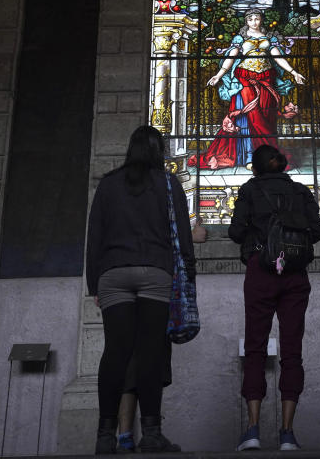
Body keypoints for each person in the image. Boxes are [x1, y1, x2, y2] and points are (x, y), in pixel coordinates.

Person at [86, 125, 207, 454]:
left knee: (115, 352)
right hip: (155, 272)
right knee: (151, 352)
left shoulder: (109, 184)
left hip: (113, 273)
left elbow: (94, 234)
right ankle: (151, 434)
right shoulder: (168, 184)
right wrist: (189, 279)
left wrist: (93, 282)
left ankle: (105, 436)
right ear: (159, 150)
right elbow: (183, 235)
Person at [228, 144, 320, 451]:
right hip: (295, 274)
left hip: (261, 271)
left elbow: (234, 232)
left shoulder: (249, 190)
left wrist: (261, 237)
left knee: (255, 347)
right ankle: (287, 433)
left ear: (255, 168)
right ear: (283, 166)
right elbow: (319, 230)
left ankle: (253, 430)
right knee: (292, 350)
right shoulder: (300, 192)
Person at [188, 8, 304, 170]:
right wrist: (219, 75)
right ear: (246, 21)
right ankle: (249, 157)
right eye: (251, 19)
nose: (254, 22)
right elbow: (231, 57)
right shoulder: (240, 38)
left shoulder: (269, 38)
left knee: (266, 118)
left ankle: (267, 155)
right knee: (248, 118)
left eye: (257, 19)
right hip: (245, 80)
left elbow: (278, 57)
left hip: (266, 80)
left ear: (261, 20)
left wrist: (294, 72)